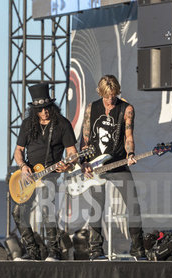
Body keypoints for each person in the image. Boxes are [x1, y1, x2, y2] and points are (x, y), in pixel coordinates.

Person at [80, 74, 145, 259]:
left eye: (114, 95)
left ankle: (138, 247)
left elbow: (129, 137)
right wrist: (83, 162)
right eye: (107, 96)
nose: (111, 99)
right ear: (101, 93)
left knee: (133, 203)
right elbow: (85, 139)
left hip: (117, 163)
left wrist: (130, 154)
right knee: (96, 206)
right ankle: (95, 248)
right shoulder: (92, 108)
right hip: (95, 165)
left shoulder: (126, 109)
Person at [12, 83, 79, 261]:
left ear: (52, 106)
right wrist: (22, 166)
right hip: (29, 175)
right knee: (18, 213)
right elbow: (18, 150)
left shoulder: (62, 124)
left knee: (47, 209)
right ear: (35, 110)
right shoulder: (28, 125)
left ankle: (54, 252)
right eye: (40, 109)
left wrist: (68, 165)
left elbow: (72, 153)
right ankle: (32, 251)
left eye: (47, 108)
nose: (44, 112)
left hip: (50, 173)